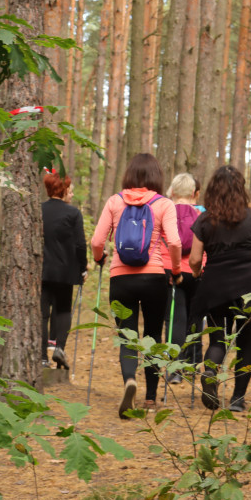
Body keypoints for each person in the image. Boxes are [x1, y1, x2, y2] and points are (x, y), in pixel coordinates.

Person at [91, 153, 181, 418]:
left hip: (121, 278)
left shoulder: (114, 202)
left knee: (127, 336)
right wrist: (175, 271)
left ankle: (130, 380)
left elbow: (97, 241)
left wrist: (100, 258)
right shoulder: (164, 204)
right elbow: (175, 243)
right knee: (153, 335)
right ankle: (151, 399)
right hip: (154, 277)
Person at [190, 166, 251, 412]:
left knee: (218, 339)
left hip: (216, 287)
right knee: (245, 344)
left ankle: (210, 372)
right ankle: (238, 400)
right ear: (241, 188)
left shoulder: (204, 221)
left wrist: (197, 275)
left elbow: (195, 260)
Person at [41, 171, 87, 370]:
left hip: (43, 270)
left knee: (43, 314)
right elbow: (80, 244)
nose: (72, 193)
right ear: (63, 188)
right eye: (71, 189)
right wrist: (83, 267)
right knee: (63, 310)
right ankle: (59, 348)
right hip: (66, 271)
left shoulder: (38, 209)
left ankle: (42, 356)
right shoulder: (73, 213)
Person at [161, 172, 202, 385]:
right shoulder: (199, 215)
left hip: (170, 268)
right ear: (194, 193)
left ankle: (175, 368)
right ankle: (194, 364)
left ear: (173, 191)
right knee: (195, 316)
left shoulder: (165, 212)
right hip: (195, 269)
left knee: (176, 318)